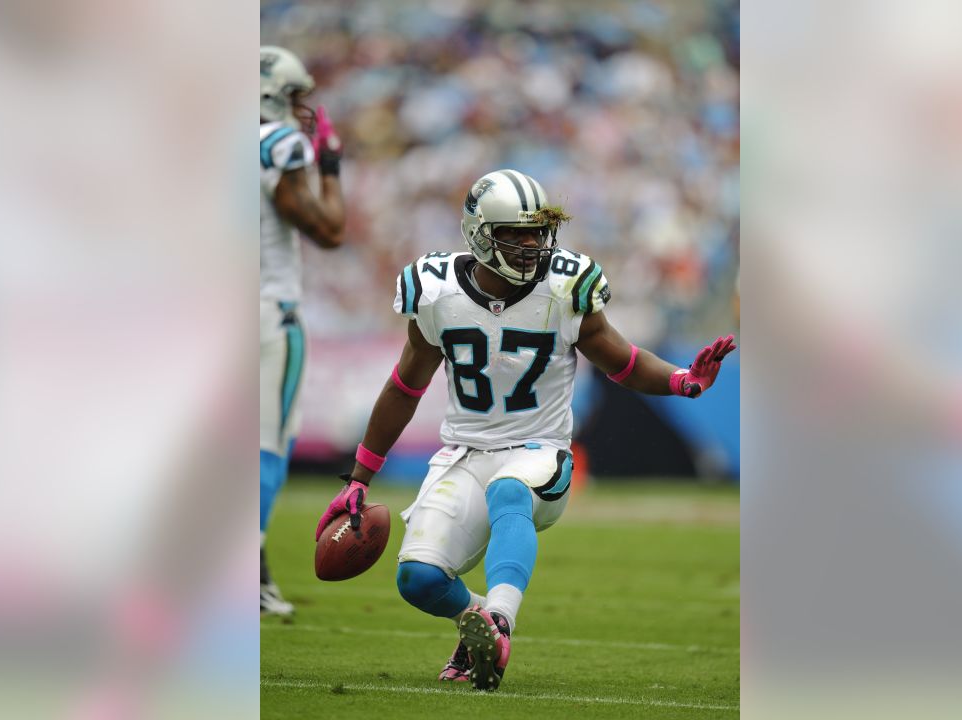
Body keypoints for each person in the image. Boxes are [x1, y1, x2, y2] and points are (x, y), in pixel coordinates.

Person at [314, 169, 737, 690]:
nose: (531, 244)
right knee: (418, 579)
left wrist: (682, 381)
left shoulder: (565, 287)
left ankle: (500, 618)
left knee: (509, 490)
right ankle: (476, 629)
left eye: (537, 232)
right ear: (478, 233)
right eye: (515, 233)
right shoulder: (436, 290)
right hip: (466, 452)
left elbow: (622, 362)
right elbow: (405, 386)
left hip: (541, 451)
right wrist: (359, 477)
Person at [260, 45, 346, 619]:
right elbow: (327, 229)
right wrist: (330, 164)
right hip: (268, 312)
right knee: (266, 447)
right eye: (294, 96)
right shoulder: (277, 143)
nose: (301, 109)